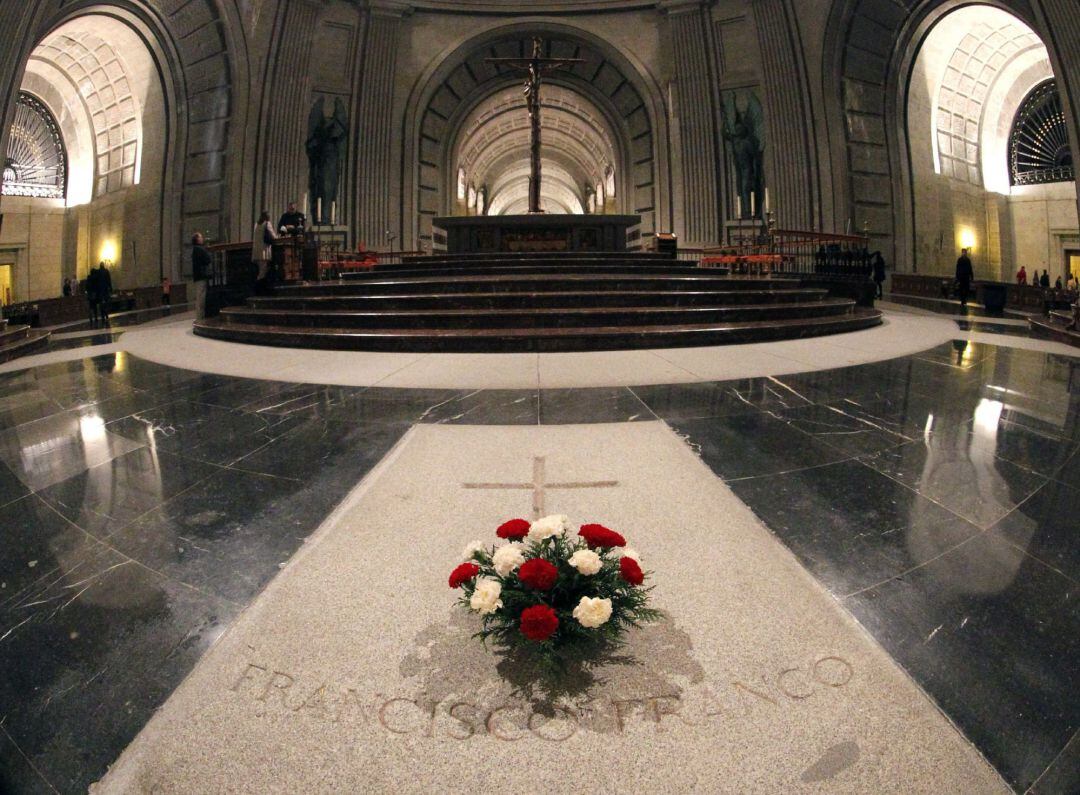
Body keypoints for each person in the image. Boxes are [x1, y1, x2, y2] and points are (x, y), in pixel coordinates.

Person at [253, 211, 277, 293]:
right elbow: (273, 236)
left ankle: (260, 288)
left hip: (256, 250)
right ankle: (259, 289)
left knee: (261, 270)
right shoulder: (267, 223)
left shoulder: (257, 224)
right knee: (263, 271)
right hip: (264, 250)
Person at [192, 232, 212, 320]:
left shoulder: (195, 249)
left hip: (198, 276)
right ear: (197, 239)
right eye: (201, 237)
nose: (202, 238)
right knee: (201, 298)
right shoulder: (199, 249)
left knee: (199, 296)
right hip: (201, 276)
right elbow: (208, 259)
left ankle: (199, 316)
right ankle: (200, 317)